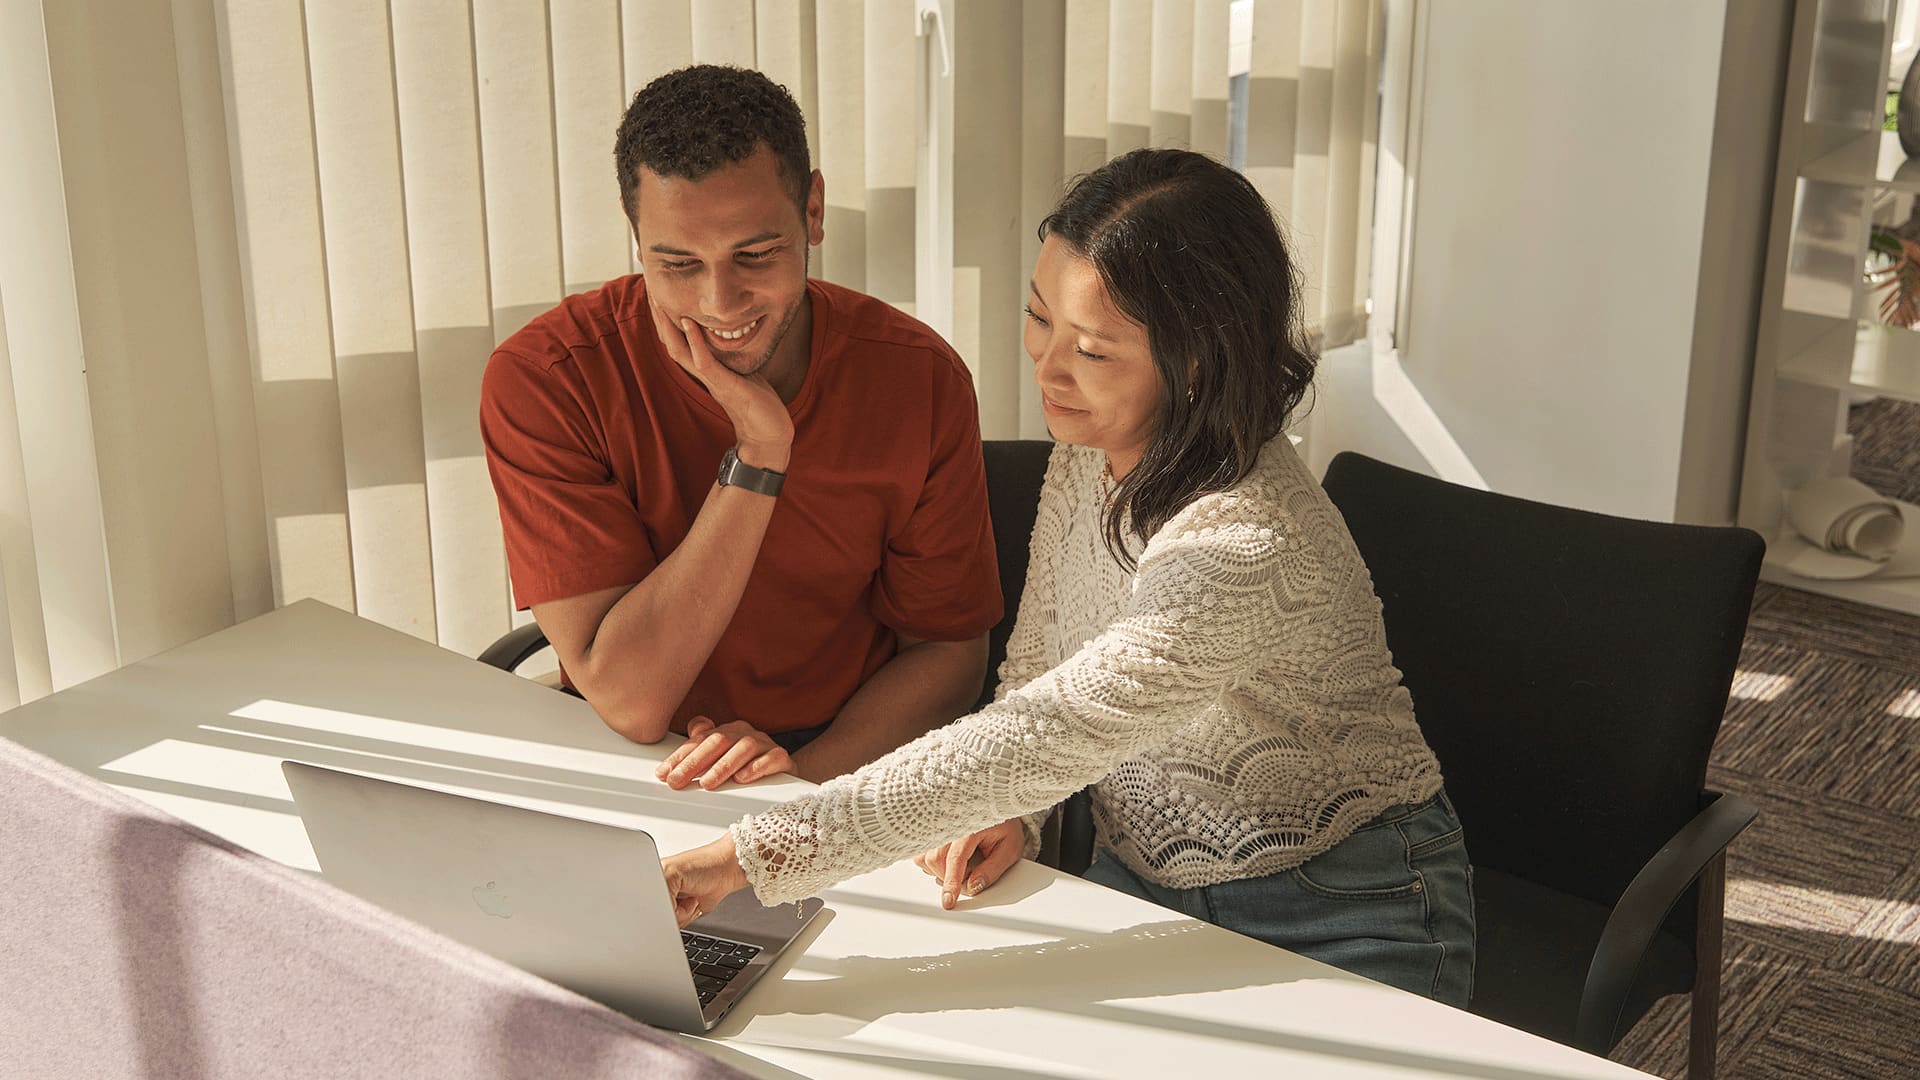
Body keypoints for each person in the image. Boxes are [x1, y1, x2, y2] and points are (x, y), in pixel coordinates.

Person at [661, 147, 1476, 1006]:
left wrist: (747, 857)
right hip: (1143, 880)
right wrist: (1021, 812)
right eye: (1038, 317)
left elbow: (1048, 731)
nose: (1046, 368)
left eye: (1091, 348)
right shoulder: (1091, 457)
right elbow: (1042, 661)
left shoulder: (1246, 542)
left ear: (1197, 361)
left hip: (1347, 909)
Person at [480, 65, 1001, 788]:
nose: (720, 303)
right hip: (626, 753)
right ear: (637, 240)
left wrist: (796, 796)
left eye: (755, 254)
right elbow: (631, 702)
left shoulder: (918, 378)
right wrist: (760, 455)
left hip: (838, 757)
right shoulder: (548, 379)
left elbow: (947, 655)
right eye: (678, 263)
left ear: (812, 211)